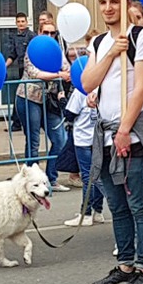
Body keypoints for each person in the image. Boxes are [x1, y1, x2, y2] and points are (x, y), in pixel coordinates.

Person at [83, 0, 143, 284]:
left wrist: (126, 130)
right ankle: (126, 262)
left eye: (114, 1)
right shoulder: (100, 42)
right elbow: (88, 82)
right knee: (117, 204)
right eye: (103, 2)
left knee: (139, 202)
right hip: (104, 132)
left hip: (132, 131)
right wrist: (109, 53)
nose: (108, 8)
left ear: (127, 3)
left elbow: (141, 86)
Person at [16, 23, 71, 192]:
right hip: (29, 97)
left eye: (52, 32)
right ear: (39, 32)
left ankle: (51, 179)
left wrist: (64, 74)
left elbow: (66, 67)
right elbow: (34, 73)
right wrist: (59, 75)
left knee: (60, 139)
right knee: (33, 141)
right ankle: (32, 182)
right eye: (45, 32)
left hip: (50, 100)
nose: (48, 35)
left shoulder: (57, 50)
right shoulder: (33, 49)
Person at [62, 88, 106, 227]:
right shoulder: (103, 87)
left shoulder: (80, 91)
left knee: (88, 177)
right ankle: (97, 211)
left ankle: (86, 213)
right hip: (99, 138)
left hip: (83, 139)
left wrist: (62, 100)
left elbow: (69, 114)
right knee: (97, 175)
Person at [3, 13, 36, 132]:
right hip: (21, 69)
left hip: (32, 70)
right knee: (20, 95)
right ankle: (17, 123)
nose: (21, 24)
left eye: (23, 21)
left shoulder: (32, 36)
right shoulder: (15, 37)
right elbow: (13, 54)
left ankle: (25, 122)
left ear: (27, 22)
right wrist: (4, 66)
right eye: (19, 22)